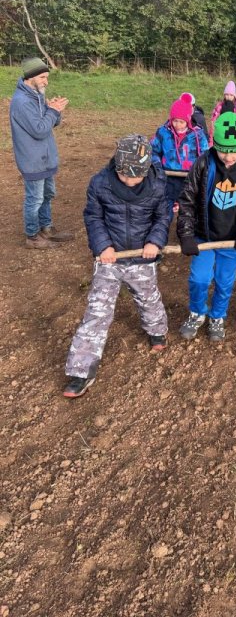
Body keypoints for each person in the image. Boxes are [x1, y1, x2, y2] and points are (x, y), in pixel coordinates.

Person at [63, 135, 170, 398]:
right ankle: (81, 371)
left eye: (136, 177)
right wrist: (103, 246)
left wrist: (155, 241)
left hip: (142, 259)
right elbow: (93, 216)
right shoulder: (100, 183)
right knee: (97, 311)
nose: (130, 181)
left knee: (148, 299)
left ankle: (157, 332)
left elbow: (162, 216)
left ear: (146, 170)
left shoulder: (157, 185)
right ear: (117, 166)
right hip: (110, 260)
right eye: (124, 175)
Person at [177, 112, 236, 342]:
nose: (227, 157)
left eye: (233, 151)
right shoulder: (203, 163)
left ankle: (217, 316)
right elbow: (188, 199)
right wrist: (186, 234)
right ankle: (197, 312)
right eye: (222, 151)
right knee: (199, 279)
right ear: (214, 145)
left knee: (224, 282)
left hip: (232, 239)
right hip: (204, 236)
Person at [9, 57, 73, 249]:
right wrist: (52, 111)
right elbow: (39, 130)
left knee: (47, 194)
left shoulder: (36, 96)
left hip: (45, 158)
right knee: (35, 198)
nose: (46, 81)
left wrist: (55, 111)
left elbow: (51, 122)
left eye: (47, 77)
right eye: (43, 77)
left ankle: (46, 228)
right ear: (31, 77)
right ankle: (32, 236)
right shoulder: (22, 102)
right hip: (33, 160)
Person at [151, 92, 209, 217]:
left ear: (188, 120)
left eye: (181, 122)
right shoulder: (163, 132)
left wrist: (199, 170)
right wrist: (157, 166)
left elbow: (205, 155)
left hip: (189, 178)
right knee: (165, 210)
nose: (177, 125)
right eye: (175, 121)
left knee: (188, 210)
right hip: (168, 177)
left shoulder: (198, 135)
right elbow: (153, 150)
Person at [209, 80, 236, 146]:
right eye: (226, 94)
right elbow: (213, 123)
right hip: (220, 135)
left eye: (231, 95)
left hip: (233, 138)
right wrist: (211, 141)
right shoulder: (219, 107)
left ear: (235, 96)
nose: (228, 97)